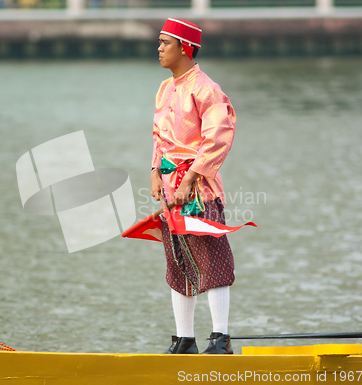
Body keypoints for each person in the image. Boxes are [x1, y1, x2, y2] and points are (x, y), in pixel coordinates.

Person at [150, 18, 237, 354]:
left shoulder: (206, 88)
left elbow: (219, 137)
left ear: (184, 48)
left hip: (199, 190)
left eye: (164, 43)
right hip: (171, 189)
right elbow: (159, 136)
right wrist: (155, 171)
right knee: (178, 261)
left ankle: (220, 338)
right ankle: (184, 338)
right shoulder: (164, 88)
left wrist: (191, 177)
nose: (158, 49)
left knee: (212, 259)